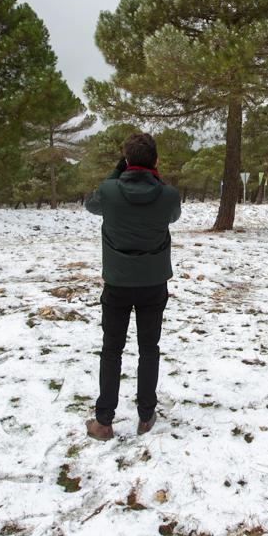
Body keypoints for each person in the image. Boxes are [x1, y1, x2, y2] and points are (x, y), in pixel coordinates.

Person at [83, 133, 181, 441]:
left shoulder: (109, 191)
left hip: (117, 283)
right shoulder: (168, 195)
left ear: (126, 161)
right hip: (153, 284)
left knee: (111, 350)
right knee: (148, 349)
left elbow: (91, 205)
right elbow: (173, 215)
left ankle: (103, 421)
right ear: (155, 161)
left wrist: (117, 172)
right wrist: (154, 176)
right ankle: (146, 415)